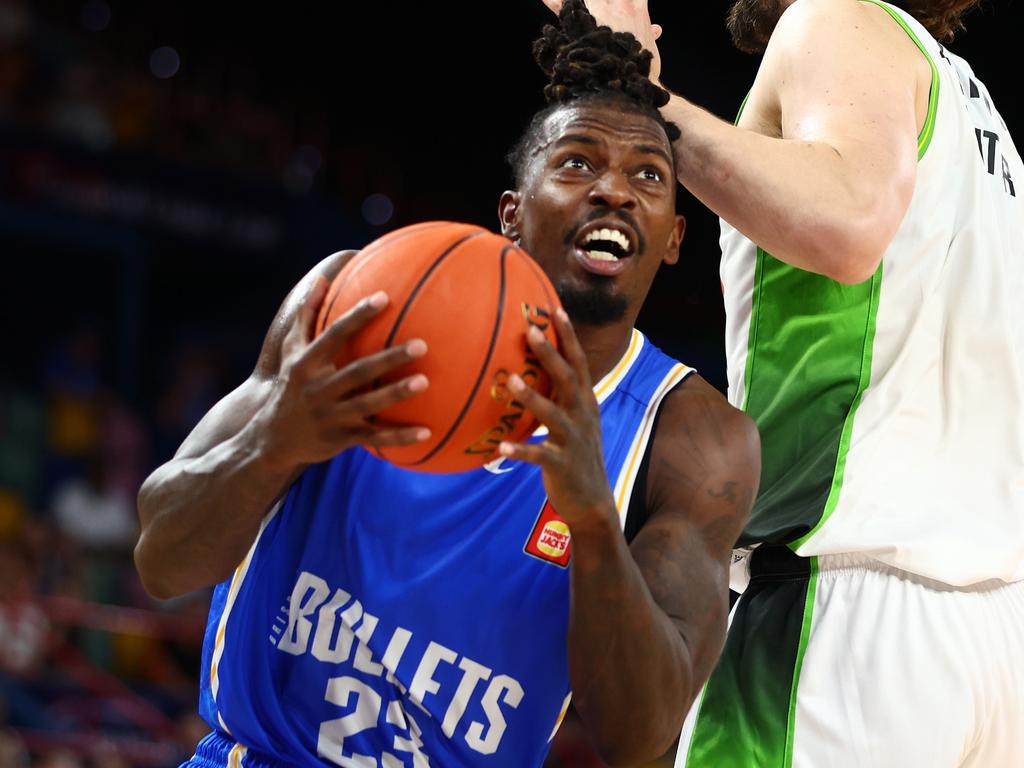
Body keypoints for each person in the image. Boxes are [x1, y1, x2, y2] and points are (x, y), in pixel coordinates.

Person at [134, 4, 760, 767]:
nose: (614, 191)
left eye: (648, 177)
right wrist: (277, 438)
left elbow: (641, 736)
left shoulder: (691, 438)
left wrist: (595, 522)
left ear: (673, 239)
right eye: (576, 163)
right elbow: (161, 560)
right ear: (512, 214)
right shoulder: (358, 304)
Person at [539, 0, 1024, 765]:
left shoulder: (835, 15)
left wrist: (644, 89)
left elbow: (847, 221)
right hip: (992, 633)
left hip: (851, 625)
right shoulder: (973, 111)